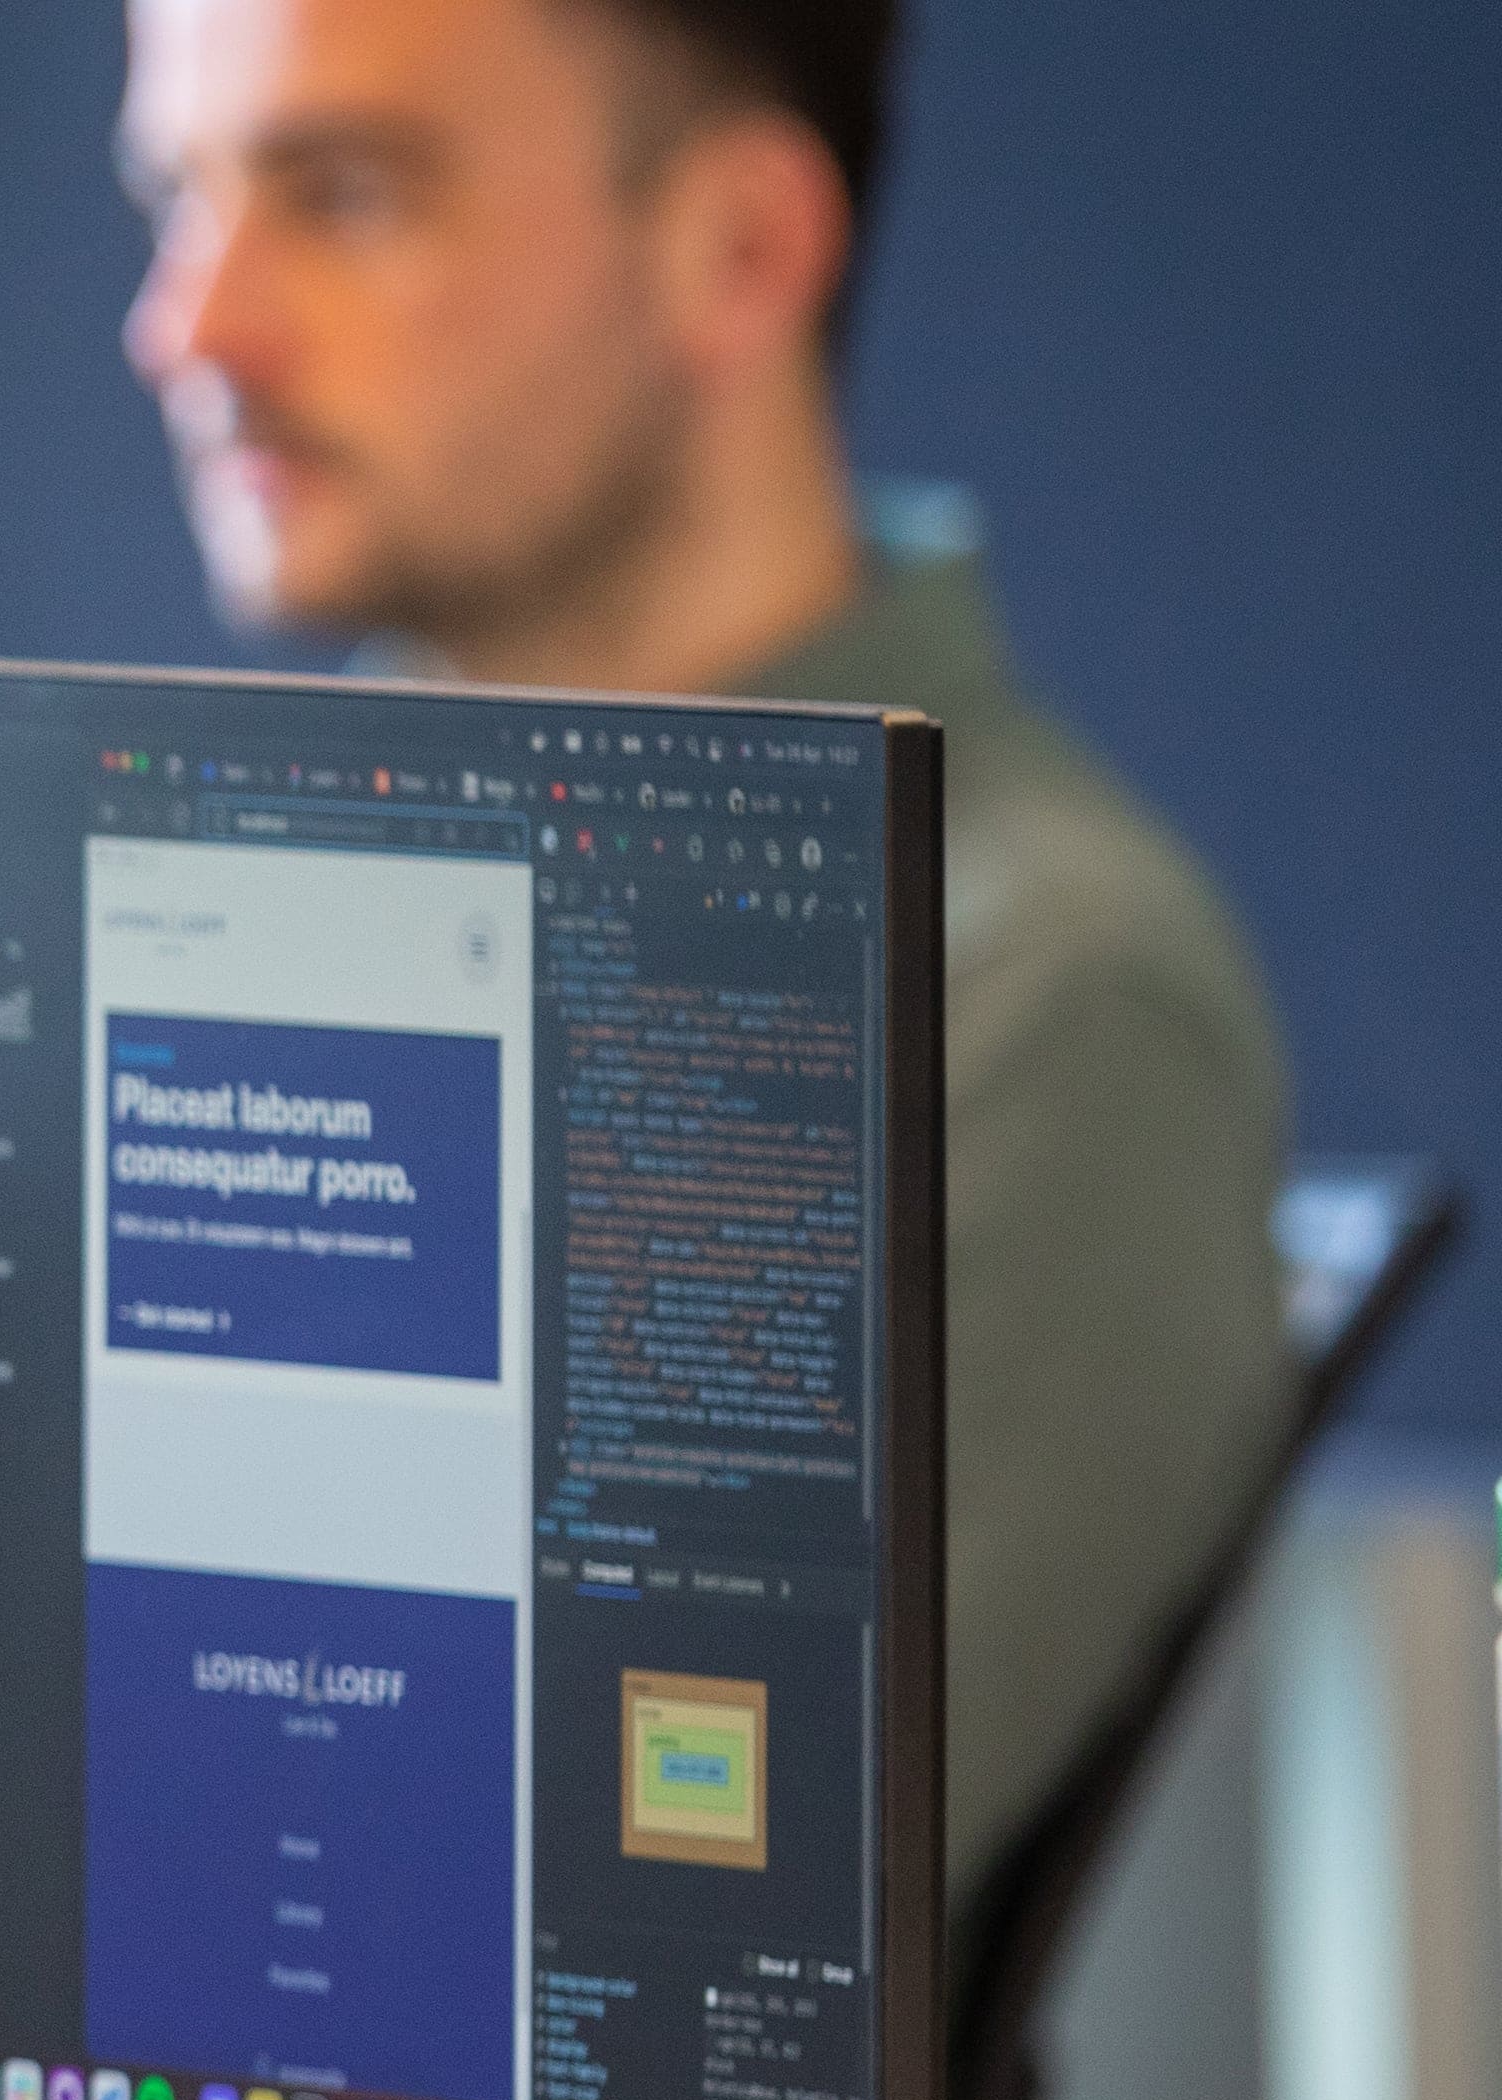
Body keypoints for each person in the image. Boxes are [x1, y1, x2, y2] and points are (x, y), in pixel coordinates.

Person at [119, 0, 1291, 1918]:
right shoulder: (245, 915)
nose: (190, 328)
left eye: (339, 194)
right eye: (176, 199)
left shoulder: (1039, 1003)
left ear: (738, 249)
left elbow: (617, 1901)